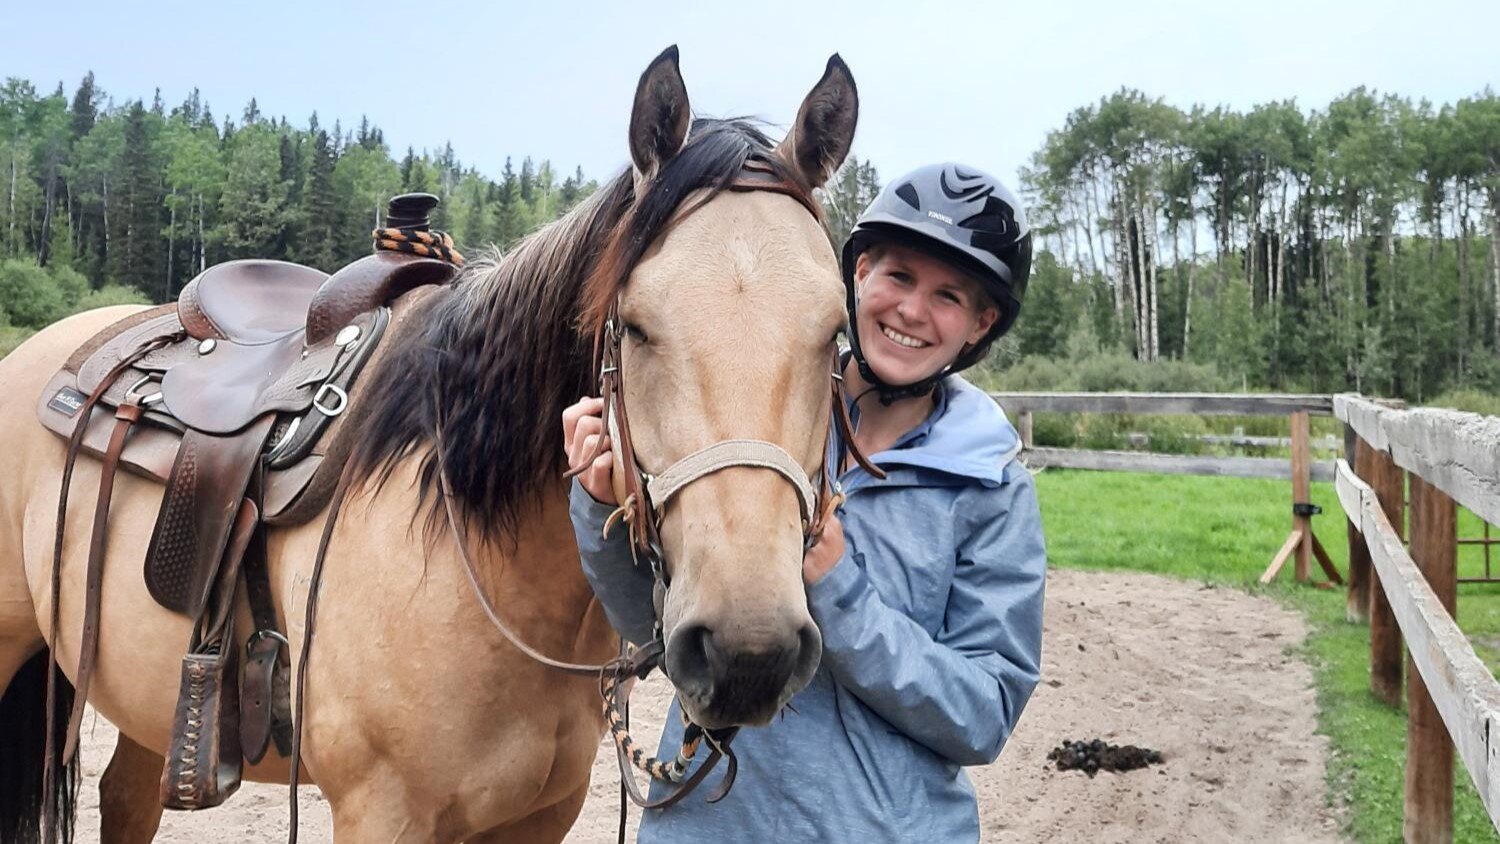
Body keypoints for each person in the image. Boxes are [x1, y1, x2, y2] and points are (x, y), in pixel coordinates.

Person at [561, 162, 1046, 841]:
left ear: (980, 324)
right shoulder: (754, 431)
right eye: (899, 277)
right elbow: (656, 637)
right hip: (710, 826)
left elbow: (984, 714)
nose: (911, 310)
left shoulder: (990, 491)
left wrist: (841, 593)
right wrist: (597, 503)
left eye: (948, 296)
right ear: (858, 276)